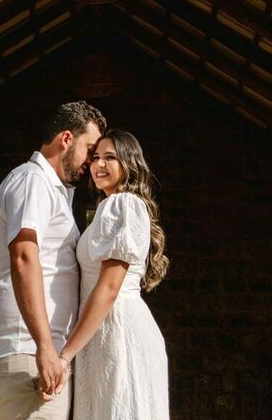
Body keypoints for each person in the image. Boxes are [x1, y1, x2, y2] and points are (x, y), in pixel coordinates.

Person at [0, 101, 107, 420]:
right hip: (27, 353)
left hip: (34, 355)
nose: (91, 162)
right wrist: (45, 347)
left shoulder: (52, 191)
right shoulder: (32, 180)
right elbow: (24, 256)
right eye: (89, 149)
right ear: (66, 138)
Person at [59, 130, 170, 420]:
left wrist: (65, 355)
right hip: (101, 332)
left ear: (129, 164)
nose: (99, 165)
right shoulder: (108, 208)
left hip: (118, 329)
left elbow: (109, 288)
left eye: (110, 157)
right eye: (96, 157)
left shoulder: (124, 204)